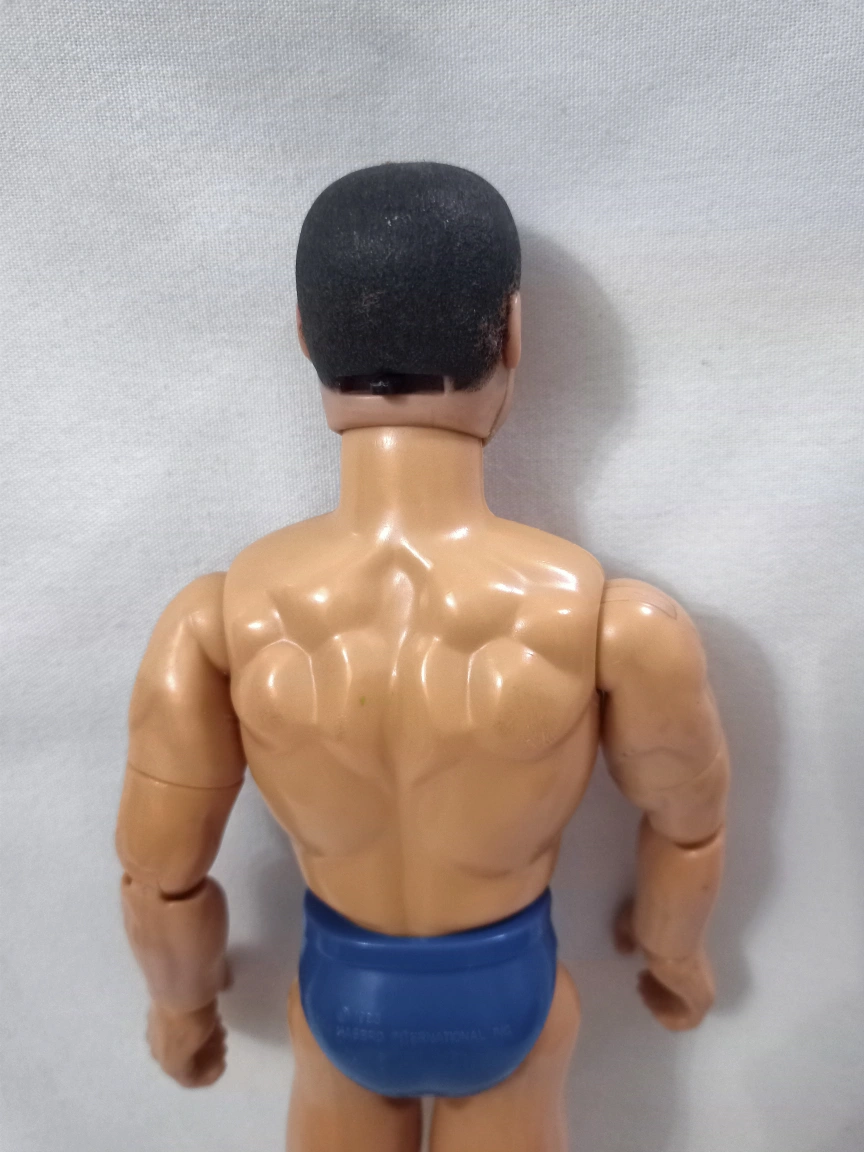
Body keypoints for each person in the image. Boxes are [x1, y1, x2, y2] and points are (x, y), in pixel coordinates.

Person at [116, 162, 729, 1152]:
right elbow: (689, 826)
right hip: (510, 995)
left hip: (343, 996)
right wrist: (675, 952)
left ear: (306, 338)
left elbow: (159, 874)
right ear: (513, 333)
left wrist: (178, 1007)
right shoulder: (612, 621)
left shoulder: (219, 618)